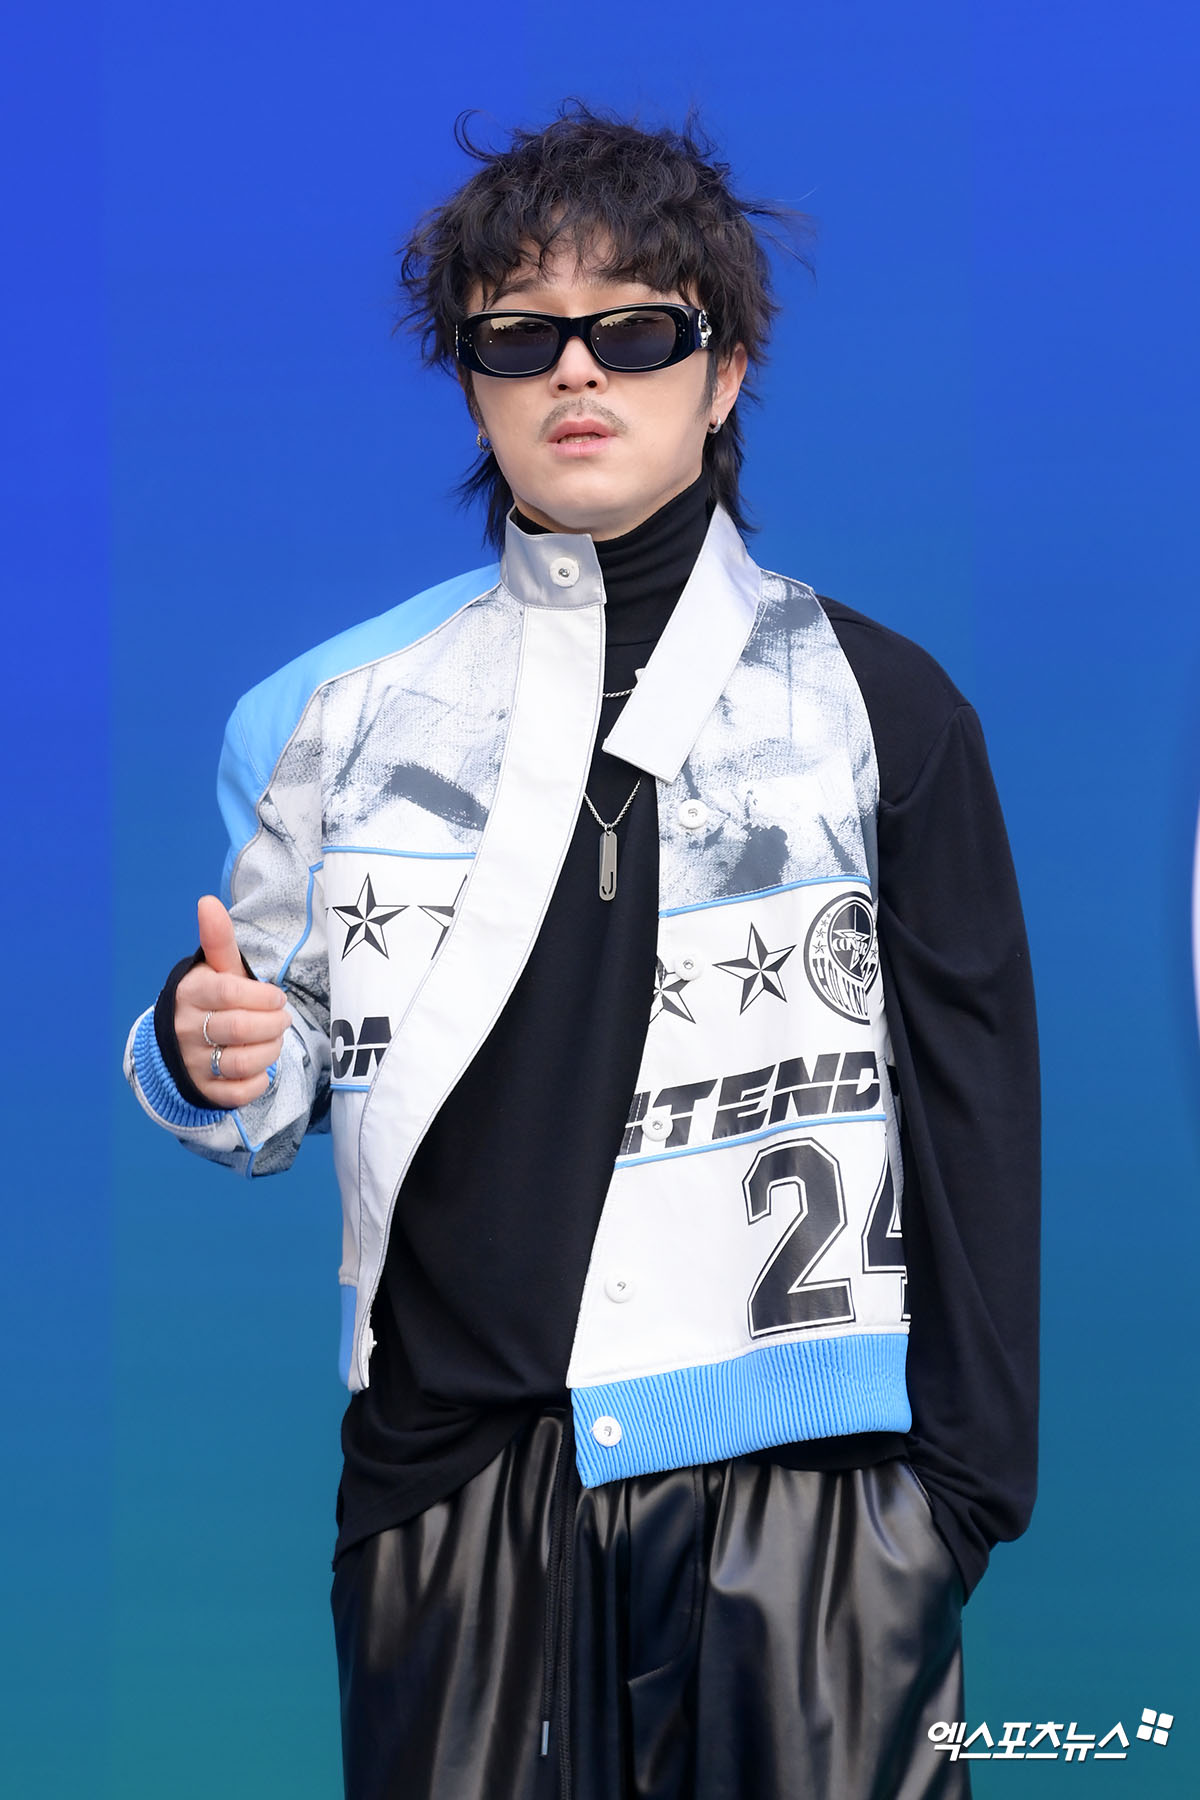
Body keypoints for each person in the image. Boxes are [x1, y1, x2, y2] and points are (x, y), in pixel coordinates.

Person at [124, 105, 1040, 1800]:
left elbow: (978, 1114)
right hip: (454, 1491)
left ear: (726, 370)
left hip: (813, 1497)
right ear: (471, 382)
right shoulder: (335, 718)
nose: (576, 371)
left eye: (635, 331)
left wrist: (956, 1506)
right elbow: (269, 1064)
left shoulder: (882, 706)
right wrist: (207, 1047)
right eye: (519, 336)